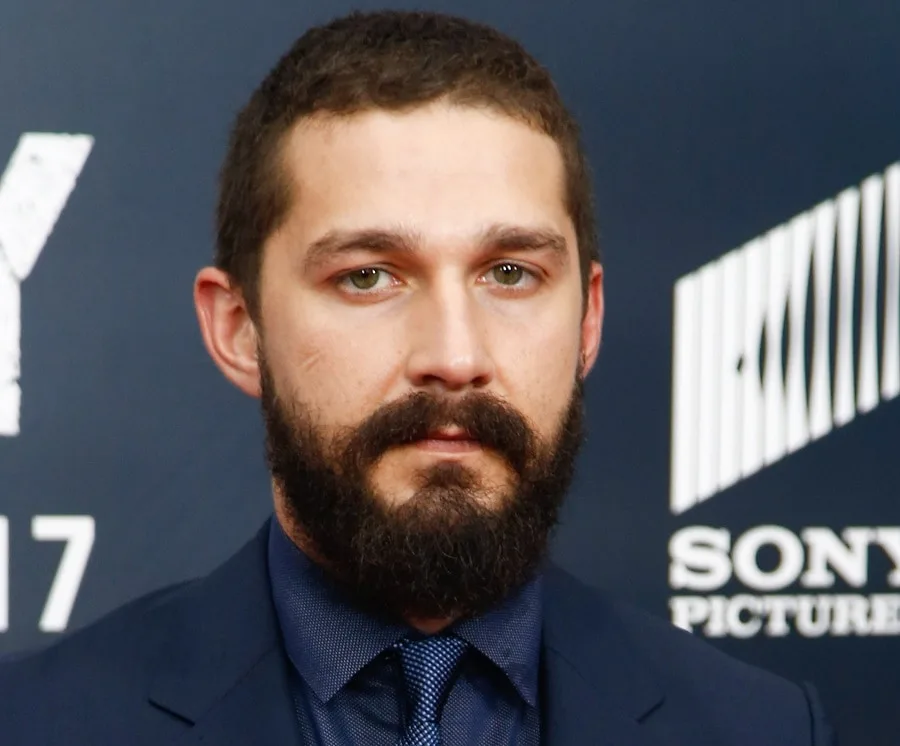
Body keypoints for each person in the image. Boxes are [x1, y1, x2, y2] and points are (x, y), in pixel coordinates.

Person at [0, 10, 835, 745]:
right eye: (369, 276)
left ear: (588, 320)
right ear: (238, 329)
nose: (455, 354)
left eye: (509, 274)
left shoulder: (756, 727)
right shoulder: (38, 723)